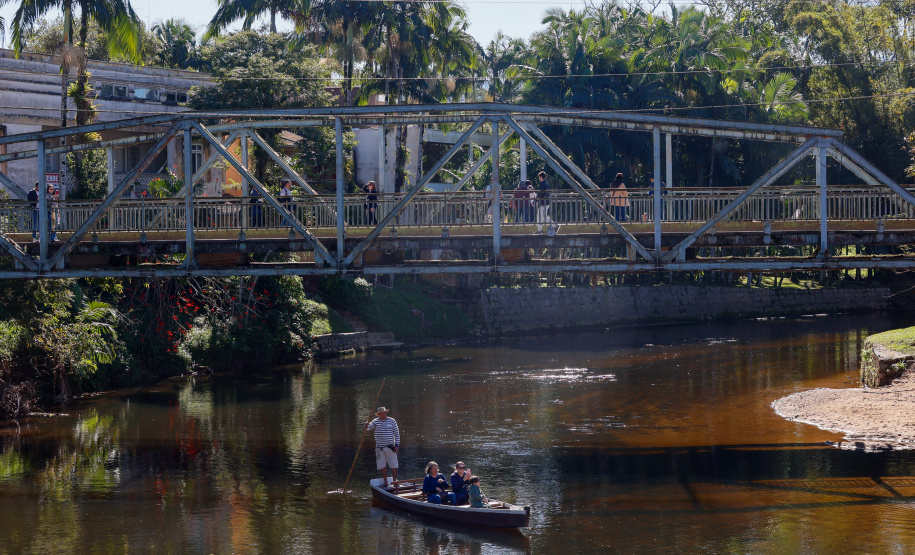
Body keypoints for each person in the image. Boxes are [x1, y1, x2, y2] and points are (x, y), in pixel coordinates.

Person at [364, 406, 400, 486]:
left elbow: (397, 434)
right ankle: (385, 482)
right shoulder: (375, 421)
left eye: (384, 413)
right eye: (381, 414)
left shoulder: (392, 421)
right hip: (379, 448)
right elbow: (368, 428)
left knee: (393, 464)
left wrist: (396, 445)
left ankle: (395, 482)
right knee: (382, 465)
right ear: (379, 415)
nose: (383, 415)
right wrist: (366, 425)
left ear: (386, 413)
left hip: (390, 447)